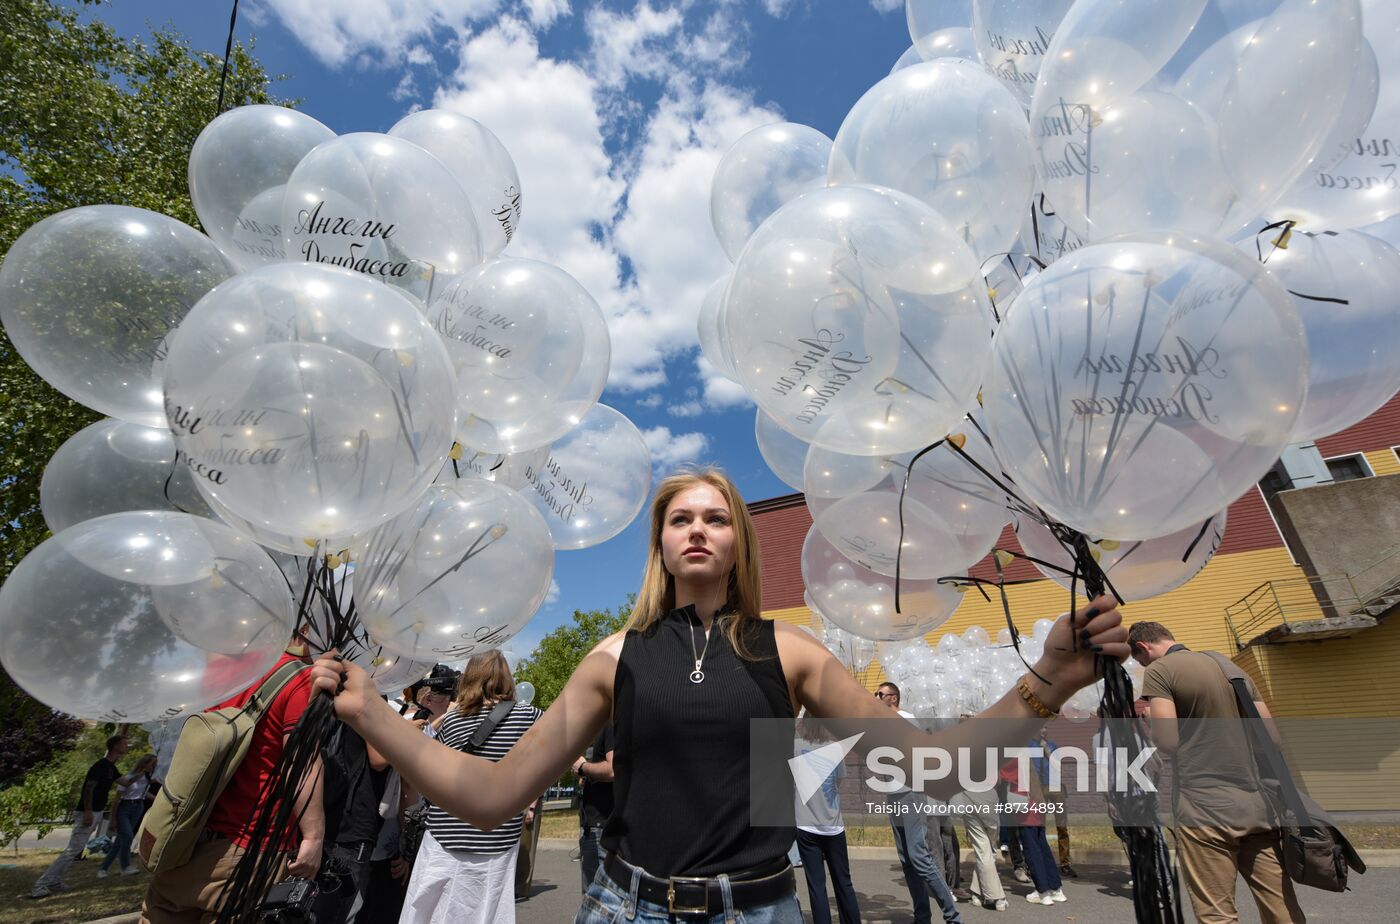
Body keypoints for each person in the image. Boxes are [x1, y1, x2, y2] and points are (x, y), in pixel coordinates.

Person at [308, 468, 1129, 923]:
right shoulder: (611, 658)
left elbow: (935, 771)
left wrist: (1049, 680)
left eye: (716, 517)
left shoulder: (795, 654)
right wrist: (375, 714)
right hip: (626, 909)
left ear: (738, 539)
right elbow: (491, 794)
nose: (697, 529)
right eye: (680, 520)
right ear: (661, 545)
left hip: (762, 911)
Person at [139, 636, 324, 924]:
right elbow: (301, 762)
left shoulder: (221, 671)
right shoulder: (297, 678)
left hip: (188, 837)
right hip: (249, 850)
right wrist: (314, 837)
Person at [1130, 621, 1304, 924]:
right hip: (1257, 805)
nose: (1142, 664)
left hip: (1204, 808)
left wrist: (1149, 719)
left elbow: (1167, 741)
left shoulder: (1160, 671)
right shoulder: (1230, 667)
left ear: (1144, 647)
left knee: (1217, 914)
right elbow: (1272, 738)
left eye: (1139, 659)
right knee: (1280, 906)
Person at [401, 649, 541, 924]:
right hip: (496, 835)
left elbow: (433, 777)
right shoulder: (531, 717)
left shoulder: (452, 721)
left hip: (444, 832)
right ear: (506, 678)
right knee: (484, 912)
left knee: (430, 911)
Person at [876, 682, 962, 924]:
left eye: (879, 694)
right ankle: (922, 915)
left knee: (919, 857)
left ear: (893, 698)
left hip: (911, 792)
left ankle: (953, 916)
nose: (875, 698)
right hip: (894, 794)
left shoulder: (906, 718)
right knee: (906, 859)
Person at [29, 734, 129, 898]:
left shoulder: (112, 767)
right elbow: (88, 788)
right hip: (87, 811)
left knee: (74, 850)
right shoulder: (100, 766)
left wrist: (143, 770)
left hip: (96, 811)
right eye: (125, 743)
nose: (127, 746)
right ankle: (41, 885)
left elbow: (125, 782)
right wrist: (88, 811)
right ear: (115, 746)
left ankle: (55, 881)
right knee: (72, 850)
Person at [792, 718, 861, 924]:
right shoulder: (834, 749)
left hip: (805, 824)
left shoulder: (794, 747)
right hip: (833, 825)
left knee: (816, 886)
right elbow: (838, 782)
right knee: (844, 883)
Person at [1000, 756, 1065, 906]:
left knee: (1031, 850)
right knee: (1043, 847)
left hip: (1025, 808)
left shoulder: (1011, 754)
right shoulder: (1025, 751)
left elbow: (1003, 774)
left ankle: (1042, 892)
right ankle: (1056, 888)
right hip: (1038, 802)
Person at [99, 753, 159, 879]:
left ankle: (103, 868)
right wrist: (113, 819)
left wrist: (158, 799)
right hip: (125, 808)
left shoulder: (147, 779)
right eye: (152, 764)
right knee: (127, 836)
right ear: (145, 764)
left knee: (120, 842)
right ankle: (125, 867)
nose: (153, 767)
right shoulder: (129, 778)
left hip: (138, 806)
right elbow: (117, 799)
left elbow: (143, 793)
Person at [573, 721, 615, 891]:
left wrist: (583, 767)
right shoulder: (595, 729)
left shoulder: (610, 726)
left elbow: (613, 769)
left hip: (601, 824)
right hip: (591, 822)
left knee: (596, 893)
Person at [1031, 728, 1076, 877]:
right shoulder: (1028, 746)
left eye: (1046, 728)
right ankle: (1042, 861)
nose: (1043, 731)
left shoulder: (1052, 745)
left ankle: (1065, 863)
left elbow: (1058, 766)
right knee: (1039, 827)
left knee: (1062, 826)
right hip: (1038, 789)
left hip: (1055, 786)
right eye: (1040, 728)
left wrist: (1046, 750)